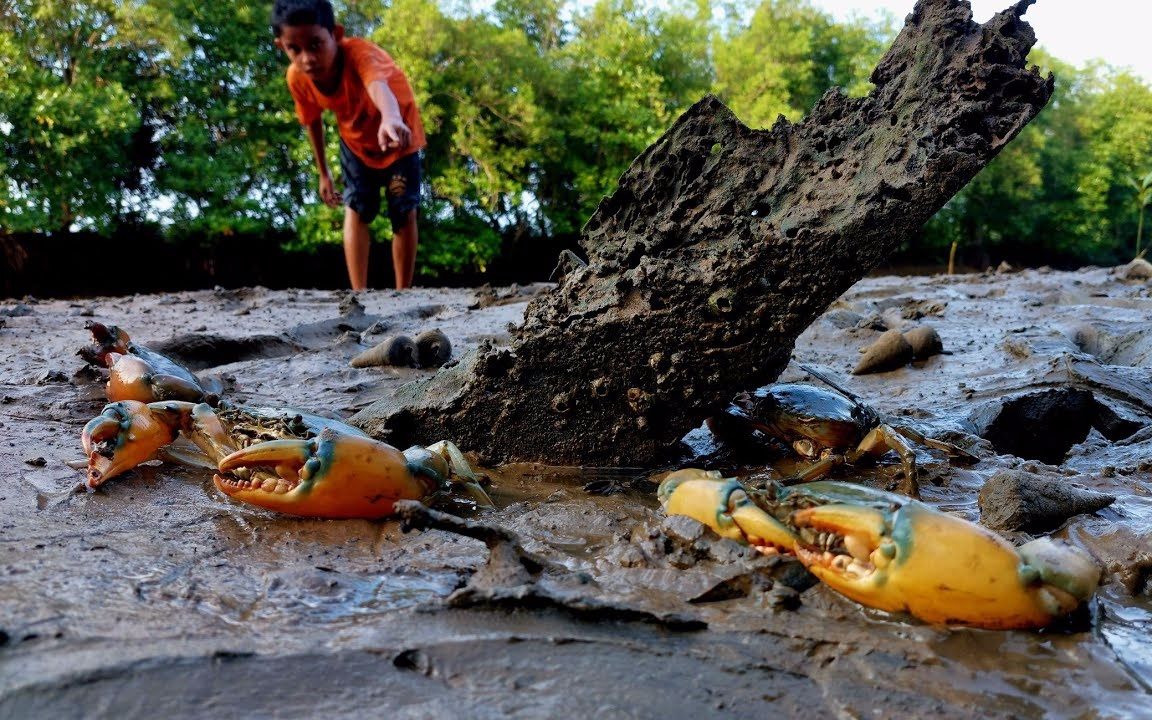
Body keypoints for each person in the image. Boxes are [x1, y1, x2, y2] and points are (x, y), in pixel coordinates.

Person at [271, 0, 426, 290]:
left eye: (315, 45)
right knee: (355, 207)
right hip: (356, 143)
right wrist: (324, 173)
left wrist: (391, 118)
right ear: (282, 46)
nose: (307, 58)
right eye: (295, 49)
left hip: (398, 138)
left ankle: (403, 292)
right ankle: (358, 293)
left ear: (336, 34)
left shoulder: (360, 54)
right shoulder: (297, 78)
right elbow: (312, 120)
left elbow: (377, 84)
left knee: (403, 208)